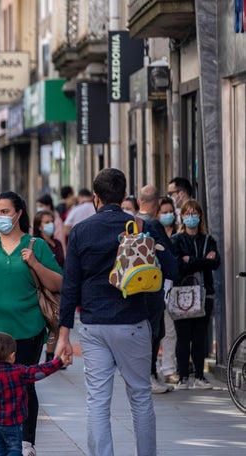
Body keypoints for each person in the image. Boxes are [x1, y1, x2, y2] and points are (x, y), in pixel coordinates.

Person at [56, 168, 178, 456]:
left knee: (97, 401)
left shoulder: (81, 231)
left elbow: (70, 285)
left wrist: (62, 335)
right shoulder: (140, 225)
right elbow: (173, 269)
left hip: (93, 325)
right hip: (132, 322)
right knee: (140, 396)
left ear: (96, 198)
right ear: (124, 196)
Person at [0, 191, 62, 456]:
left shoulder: (37, 246)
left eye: (5, 212)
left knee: (25, 384)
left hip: (28, 328)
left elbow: (59, 283)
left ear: (19, 213)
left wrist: (34, 263)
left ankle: (25, 439)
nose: (0, 217)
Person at [0, 332, 66, 456]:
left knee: (1, 449)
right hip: (12, 423)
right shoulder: (19, 372)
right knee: (14, 449)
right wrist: (58, 362)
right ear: (12, 356)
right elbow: (39, 372)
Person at [171, 199, 220, 390]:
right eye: (187, 213)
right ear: (182, 217)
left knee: (200, 336)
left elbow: (215, 262)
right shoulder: (176, 239)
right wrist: (200, 261)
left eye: (194, 213)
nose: (191, 217)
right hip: (182, 294)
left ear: (200, 216)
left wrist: (191, 260)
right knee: (183, 336)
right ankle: (183, 376)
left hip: (204, 294)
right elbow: (178, 266)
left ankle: (199, 376)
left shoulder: (209, 240)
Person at [136, 185, 176, 394]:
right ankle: (150, 374)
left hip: (135, 288)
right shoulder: (153, 225)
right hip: (153, 288)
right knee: (154, 332)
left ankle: (147, 374)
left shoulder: (132, 222)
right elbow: (168, 257)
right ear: (158, 204)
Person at [31, 209, 64, 365]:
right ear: (38, 226)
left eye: (52, 221)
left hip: (56, 288)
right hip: (41, 289)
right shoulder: (36, 244)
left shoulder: (56, 243)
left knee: (55, 321)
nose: (51, 224)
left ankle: (50, 354)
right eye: (46, 222)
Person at [157, 196, 179, 384]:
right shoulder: (154, 232)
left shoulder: (179, 233)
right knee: (158, 331)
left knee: (170, 330)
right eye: (163, 212)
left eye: (169, 211)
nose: (167, 215)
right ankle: (155, 368)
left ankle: (169, 368)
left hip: (176, 288)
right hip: (159, 287)